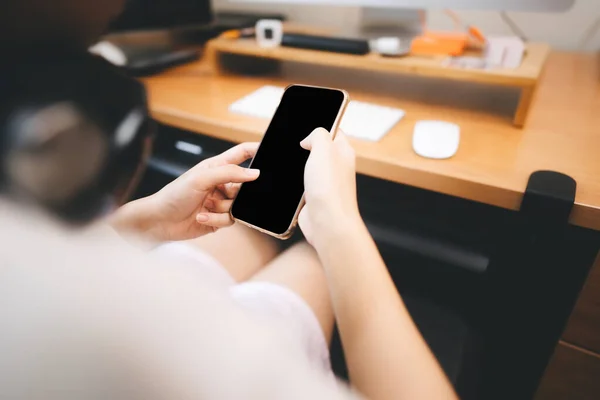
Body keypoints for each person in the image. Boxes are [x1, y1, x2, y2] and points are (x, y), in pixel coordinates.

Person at [0, 1, 458, 399]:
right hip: (172, 348)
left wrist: (143, 222)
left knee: (249, 228)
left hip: (120, 293)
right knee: (310, 259)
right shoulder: (145, 352)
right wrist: (340, 227)